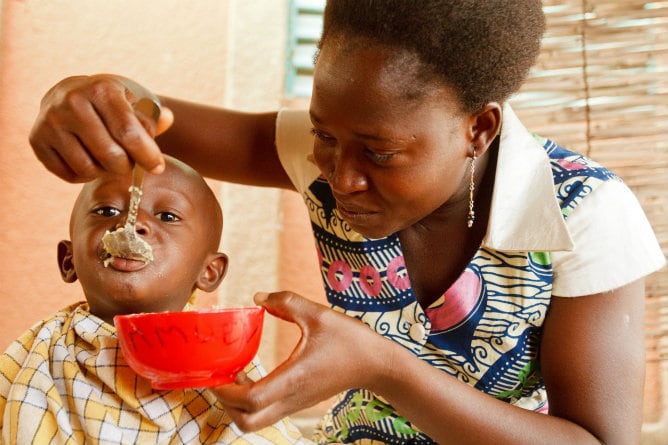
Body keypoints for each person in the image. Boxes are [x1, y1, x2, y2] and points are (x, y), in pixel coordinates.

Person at [26, 1, 666, 444]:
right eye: (323, 133)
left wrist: (383, 368)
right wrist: (80, 93)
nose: (340, 175)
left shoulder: (584, 214)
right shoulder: (324, 151)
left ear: (480, 127)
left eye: (379, 153)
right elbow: (145, 113)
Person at [0, 156, 307, 444]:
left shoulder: (218, 353)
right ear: (69, 261)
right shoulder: (42, 350)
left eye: (167, 216)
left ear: (209, 271)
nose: (131, 223)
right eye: (107, 211)